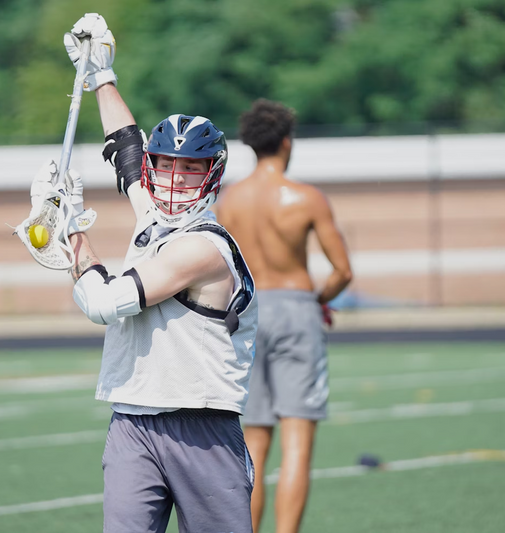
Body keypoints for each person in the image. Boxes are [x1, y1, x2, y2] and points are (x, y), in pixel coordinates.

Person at [29, 13, 258, 533]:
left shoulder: (205, 247)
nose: (175, 179)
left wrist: (72, 233)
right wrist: (101, 75)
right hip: (132, 420)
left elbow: (103, 303)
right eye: (167, 165)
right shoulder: (153, 215)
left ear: (213, 175)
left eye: (191, 168)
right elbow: (125, 148)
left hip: (201, 424)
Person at [215, 98, 353, 533]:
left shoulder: (229, 200)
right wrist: (320, 300)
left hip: (248, 313)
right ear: (287, 143)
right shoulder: (307, 198)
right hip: (296, 308)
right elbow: (342, 271)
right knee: (297, 444)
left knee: (252, 444)